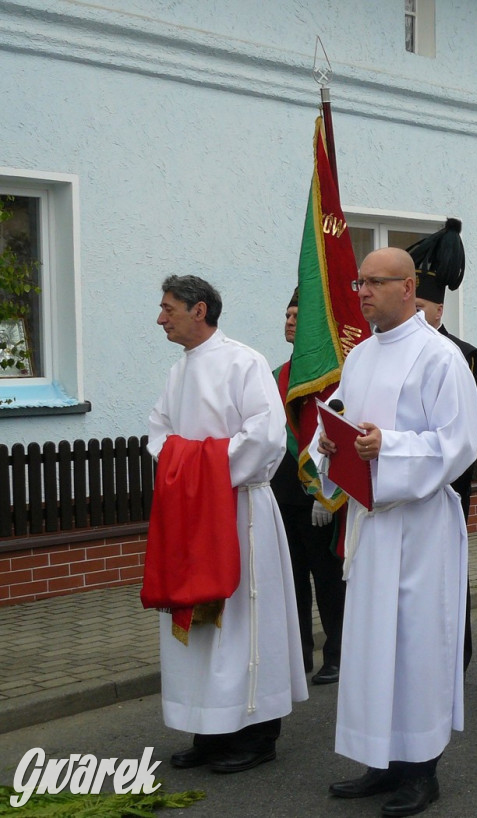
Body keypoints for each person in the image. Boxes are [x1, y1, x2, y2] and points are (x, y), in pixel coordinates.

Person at [311, 247, 477, 816]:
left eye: (374, 282)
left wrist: (390, 446)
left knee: (415, 645)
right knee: (370, 644)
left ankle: (420, 770)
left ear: (407, 288)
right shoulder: (360, 355)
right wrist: (329, 443)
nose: (361, 292)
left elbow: (459, 443)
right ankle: (379, 760)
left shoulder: (440, 357)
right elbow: (339, 419)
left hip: (419, 525)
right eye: (359, 282)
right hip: (371, 523)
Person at [146, 275, 307, 774]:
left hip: (239, 512)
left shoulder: (244, 362)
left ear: (199, 310)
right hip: (191, 512)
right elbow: (159, 433)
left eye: (169, 308)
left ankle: (257, 734)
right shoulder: (179, 371)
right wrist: (188, 471)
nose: (160, 318)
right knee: (197, 624)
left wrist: (201, 469)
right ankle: (210, 727)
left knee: (241, 622)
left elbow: (267, 435)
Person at [408, 218, 477, 671]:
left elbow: (463, 431)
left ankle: (458, 652)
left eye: (422, 307)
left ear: (439, 310)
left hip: (447, 481)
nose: (416, 315)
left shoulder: (464, 356)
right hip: (403, 482)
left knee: (449, 568)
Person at [270, 288, 346, 685]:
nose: (289, 322)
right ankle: (297, 656)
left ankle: (337, 654)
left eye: (297, 317)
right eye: (287, 315)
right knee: (291, 581)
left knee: (328, 580)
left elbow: (337, 437)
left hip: (318, 498)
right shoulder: (276, 376)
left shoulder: (331, 377)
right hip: (281, 495)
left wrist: (326, 491)